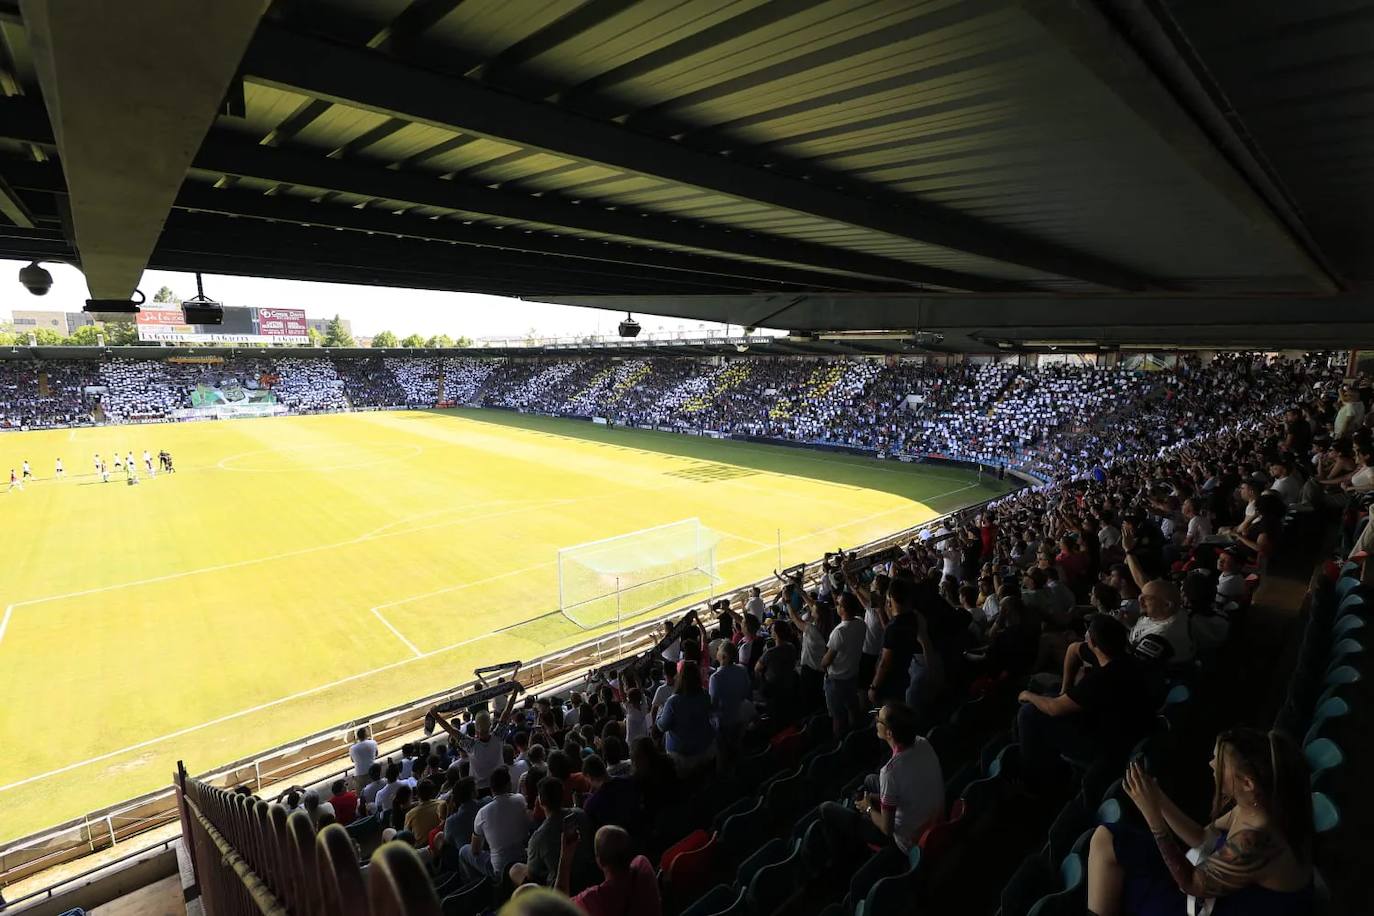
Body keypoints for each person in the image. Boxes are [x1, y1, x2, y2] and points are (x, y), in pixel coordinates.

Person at [1087, 728, 1314, 916]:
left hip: (1219, 900)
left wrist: (1153, 817)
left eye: (1219, 762)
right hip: (1210, 885)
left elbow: (1191, 884)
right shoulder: (1255, 804)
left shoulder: (1255, 839)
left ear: (1247, 783)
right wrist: (1159, 800)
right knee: (1106, 838)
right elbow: (1204, 838)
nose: (1211, 764)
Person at [1017, 615, 1155, 787]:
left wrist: (1027, 695)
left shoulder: (1100, 680)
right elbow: (1073, 649)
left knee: (1027, 712)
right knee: (1051, 693)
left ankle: (1034, 779)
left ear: (1094, 644)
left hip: (1106, 747)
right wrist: (1064, 690)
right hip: (1121, 724)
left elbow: (1054, 708)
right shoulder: (1122, 657)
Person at [818, 702, 943, 860]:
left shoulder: (890, 772)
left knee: (825, 808)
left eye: (879, 719)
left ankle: (842, 858)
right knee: (869, 779)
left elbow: (887, 829)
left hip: (906, 840)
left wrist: (868, 807)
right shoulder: (923, 743)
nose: (876, 719)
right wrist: (876, 798)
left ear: (889, 734)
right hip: (931, 819)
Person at [510, 776, 597, 891]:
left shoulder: (539, 837)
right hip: (590, 877)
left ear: (540, 800)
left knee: (515, 869)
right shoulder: (581, 814)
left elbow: (532, 874)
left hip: (562, 890)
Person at [556, 825, 662, 916]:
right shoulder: (643, 867)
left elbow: (556, 908)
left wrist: (565, 858)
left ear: (599, 861)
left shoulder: (593, 900)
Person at [460, 766, 530, 882]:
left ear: (491, 789)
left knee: (464, 850)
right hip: (524, 860)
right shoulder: (520, 799)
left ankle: (475, 886)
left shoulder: (482, 813)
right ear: (509, 784)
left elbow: (475, 850)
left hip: (500, 870)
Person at [655, 660, 716, 777]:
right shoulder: (704, 695)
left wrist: (659, 714)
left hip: (682, 757)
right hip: (706, 749)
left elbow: (662, 726)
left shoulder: (673, 702)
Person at [822, 592, 868, 736]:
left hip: (837, 680)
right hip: (853, 675)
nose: (836, 605)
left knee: (838, 716)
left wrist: (822, 661)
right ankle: (857, 736)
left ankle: (840, 743)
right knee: (853, 708)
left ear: (842, 609)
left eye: (838, 603)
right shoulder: (861, 622)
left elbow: (826, 661)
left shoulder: (839, 632)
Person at [403, 779, 444, 846]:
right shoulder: (441, 804)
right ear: (433, 792)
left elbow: (406, 836)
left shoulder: (410, 814)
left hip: (420, 848)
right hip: (439, 844)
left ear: (417, 794)